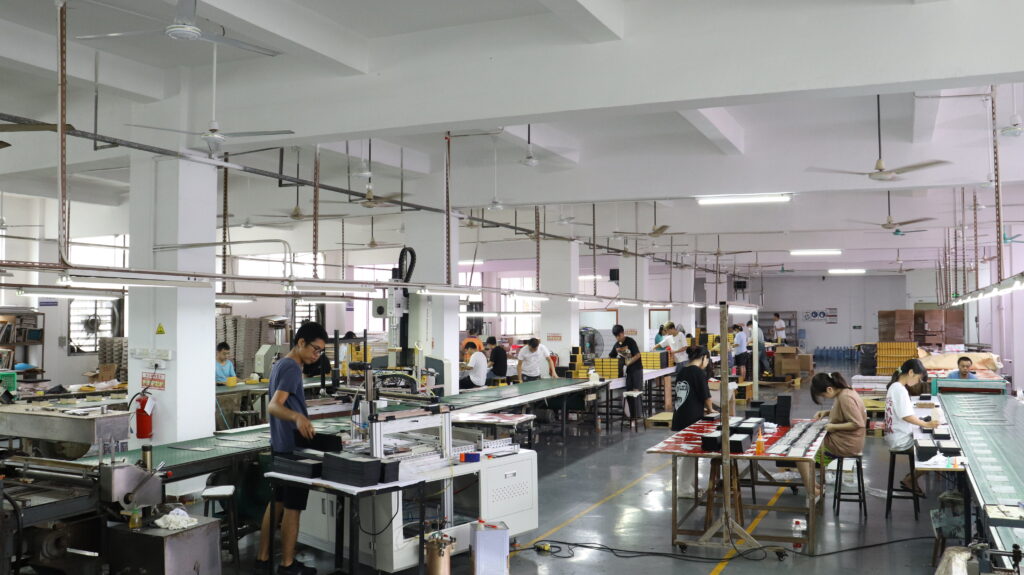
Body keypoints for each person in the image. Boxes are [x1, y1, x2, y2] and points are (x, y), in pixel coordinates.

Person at [255, 322, 328, 575]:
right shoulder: (292, 367)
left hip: (280, 445)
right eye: (315, 349)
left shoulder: (280, 364)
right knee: (293, 509)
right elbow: (274, 406)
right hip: (292, 448)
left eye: (321, 352)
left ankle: (263, 558)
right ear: (300, 343)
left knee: (276, 503)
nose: (316, 355)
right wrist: (298, 418)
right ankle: (288, 565)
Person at [796, 372, 867, 498]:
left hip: (846, 444)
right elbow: (845, 413)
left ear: (829, 389)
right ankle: (815, 485)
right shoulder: (846, 392)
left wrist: (833, 426)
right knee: (807, 446)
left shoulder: (845, 398)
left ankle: (812, 491)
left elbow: (858, 423)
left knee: (801, 453)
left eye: (823, 395)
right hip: (846, 440)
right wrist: (827, 412)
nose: (825, 397)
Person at [884, 358, 939, 497]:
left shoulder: (894, 386)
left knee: (928, 442)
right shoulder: (900, 390)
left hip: (895, 436)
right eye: (918, 378)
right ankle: (910, 479)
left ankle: (911, 478)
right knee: (933, 452)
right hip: (901, 440)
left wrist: (921, 421)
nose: (918, 383)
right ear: (910, 372)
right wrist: (926, 424)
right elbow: (906, 416)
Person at [670, 345, 714, 498]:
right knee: (689, 453)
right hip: (691, 417)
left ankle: (690, 487)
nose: (707, 363)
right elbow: (706, 396)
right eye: (707, 360)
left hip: (681, 415)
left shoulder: (683, 370)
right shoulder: (698, 372)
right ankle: (684, 489)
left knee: (688, 453)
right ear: (704, 358)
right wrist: (712, 410)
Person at [610, 324, 644, 416]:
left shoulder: (630, 341)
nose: (617, 338)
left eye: (619, 336)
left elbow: (638, 355)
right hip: (628, 372)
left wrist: (628, 362)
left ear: (623, 333)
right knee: (629, 394)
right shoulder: (617, 345)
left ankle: (637, 416)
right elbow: (611, 356)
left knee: (636, 393)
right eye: (616, 336)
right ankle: (632, 417)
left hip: (636, 369)